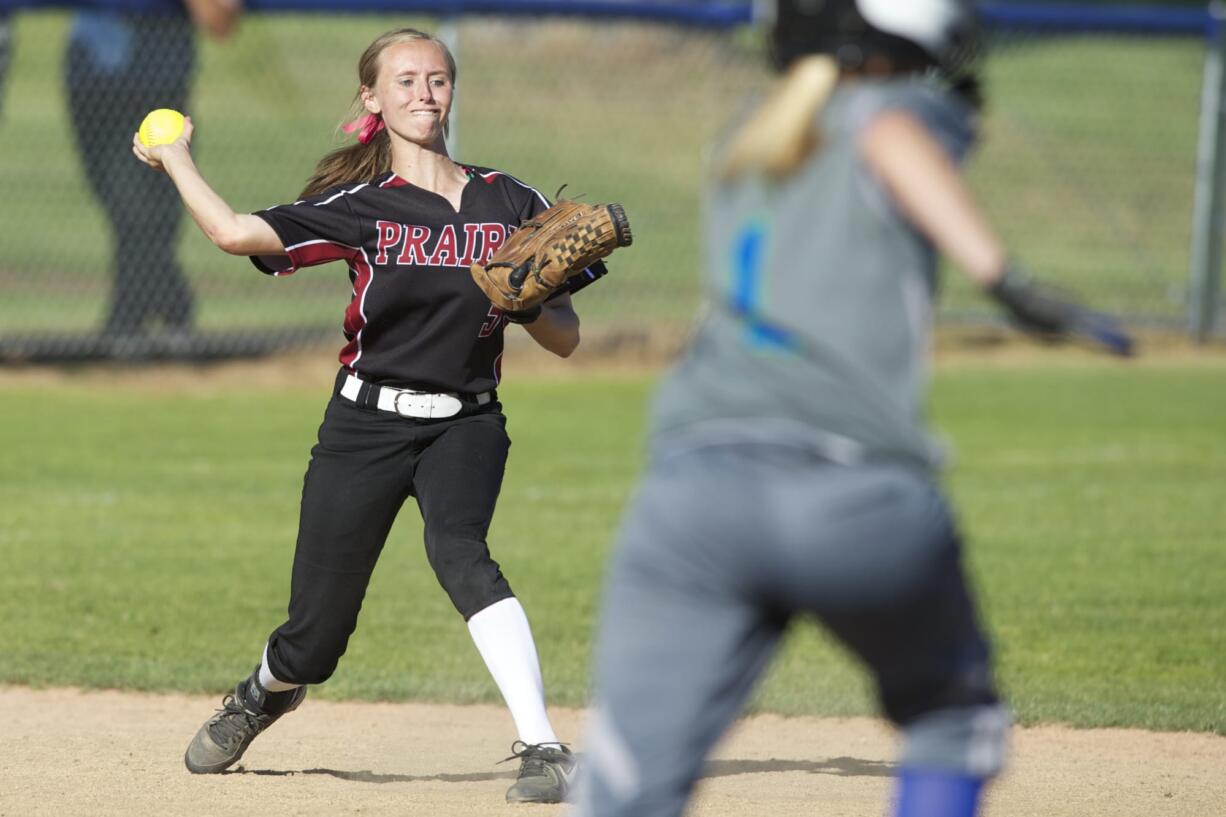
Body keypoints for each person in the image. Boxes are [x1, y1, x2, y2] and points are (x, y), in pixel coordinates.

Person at [572, 2, 1127, 816]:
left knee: (628, 786)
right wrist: (1004, 280)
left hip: (693, 488)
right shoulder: (888, 110)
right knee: (951, 714)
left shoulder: (745, 137)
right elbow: (887, 136)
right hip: (851, 486)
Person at [132, 26, 603, 804]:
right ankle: (265, 690)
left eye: (438, 79)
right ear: (373, 100)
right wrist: (176, 156)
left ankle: (544, 745)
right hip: (365, 427)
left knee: (462, 553)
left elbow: (565, 341)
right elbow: (232, 233)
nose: (425, 93)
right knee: (316, 637)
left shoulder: (512, 200)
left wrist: (530, 301)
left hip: (467, 421)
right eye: (408, 81)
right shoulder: (358, 208)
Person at [68, 0, 243, 348]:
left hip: (161, 94)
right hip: (90, 85)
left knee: (155, 216)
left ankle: (127, 326)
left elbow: (219, 22)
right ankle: (169, 310)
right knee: (129, 213)